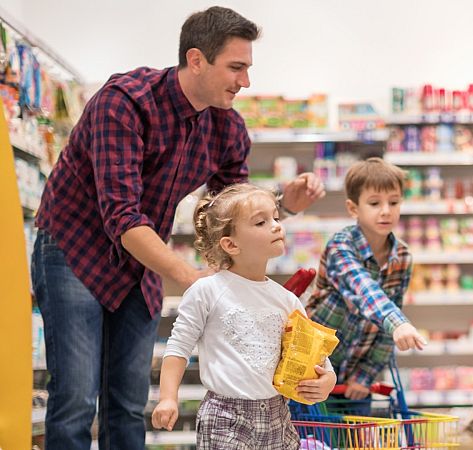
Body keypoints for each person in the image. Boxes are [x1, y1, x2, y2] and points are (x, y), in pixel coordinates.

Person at [30, 6, 324, 449]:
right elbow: (123, 218)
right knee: (75, 396)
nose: (245, 81)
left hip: (141, 258)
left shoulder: (227, 127)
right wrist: (193, 279)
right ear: (196, 60)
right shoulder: (124, 103)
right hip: (75, 249)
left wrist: (285, 205)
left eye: (248, 68)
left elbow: (231, 213)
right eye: (236, 67)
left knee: (128, 401)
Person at [150, 184, 336, 449]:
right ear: (230, 244)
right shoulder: (207, 291)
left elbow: (316, 357)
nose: (275, 226)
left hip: (278, 416)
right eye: (261, 222)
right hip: (226, 417)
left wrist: (327, 381)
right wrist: (168, 397)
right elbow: (179, 346)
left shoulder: (287, 300)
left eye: (276, 217)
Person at [306, 157, 427, 402]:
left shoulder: (401, 256)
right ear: (353, 208)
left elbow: (385, 333)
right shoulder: (341, 245)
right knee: (315, 440)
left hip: (356, 378)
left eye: (394, 202)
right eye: (374, 203)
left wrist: (365, 376)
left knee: (357, 440)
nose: (386, 211)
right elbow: (364, 289)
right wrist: (399, 324)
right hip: (314, 366)